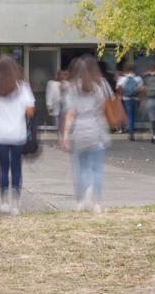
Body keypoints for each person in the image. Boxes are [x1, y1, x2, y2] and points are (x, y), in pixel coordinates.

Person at [0, 55, 35, 214]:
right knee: (16, 168)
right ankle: (16, 204)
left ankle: (4, 200)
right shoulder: (22, 87)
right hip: (17, 134)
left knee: (3, 167)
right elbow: (30, 112)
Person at [60, 55, 113, 213]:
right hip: (96, 131)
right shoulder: (98, 87)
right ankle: (96, 202)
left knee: (82, 168)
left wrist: (65, 135)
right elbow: (102, 109)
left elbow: (70, 114)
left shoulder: (72, 90)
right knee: (97, 169)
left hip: (79, 132)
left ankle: (81, 201)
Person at [116, 63, 143, 142]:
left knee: (130, 116)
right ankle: (133, 130)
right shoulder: (138, 79)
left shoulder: (122, 79)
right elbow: (141, 89)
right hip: (136, 99)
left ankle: (131, 134)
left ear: (126, 70)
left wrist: (122, 93)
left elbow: (118, 88)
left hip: (126, 99)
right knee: (133, 116)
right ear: (134, 70)